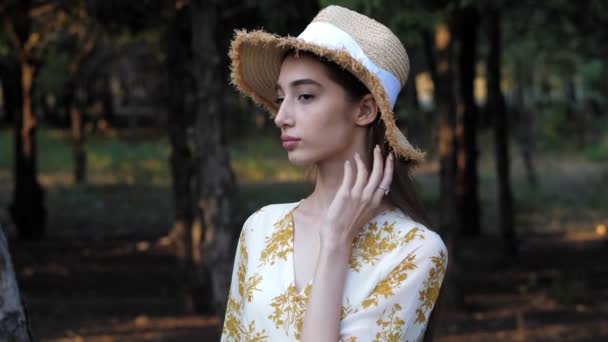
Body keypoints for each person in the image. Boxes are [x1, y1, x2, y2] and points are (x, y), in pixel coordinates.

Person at [222, 5, 447, 341]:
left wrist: (335, 245)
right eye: (281, 98)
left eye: (305, 96)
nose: (280, 116)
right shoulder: (260, 229)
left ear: (365, 109)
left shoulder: (414, 250)